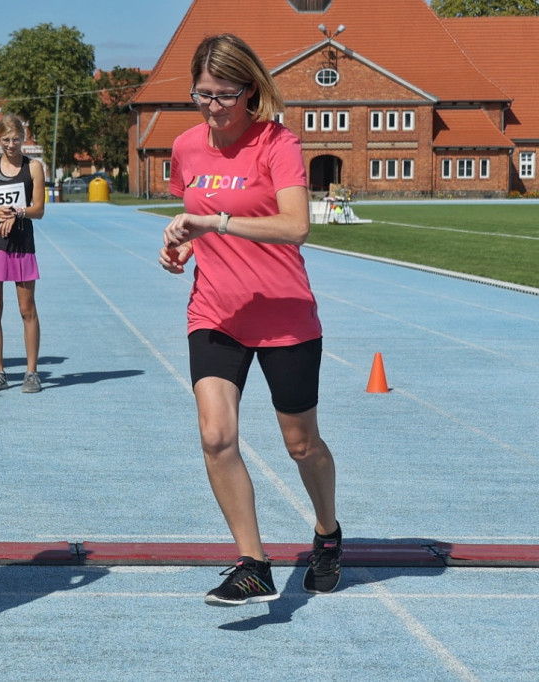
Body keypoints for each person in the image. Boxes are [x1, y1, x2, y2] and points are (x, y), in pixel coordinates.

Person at [160, 33, 342, 606]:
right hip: (215, 310)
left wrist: (216, 223)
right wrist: (181, 245)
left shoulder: (277, 143)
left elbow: (296, 227)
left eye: (223, 95)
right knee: (216, 437)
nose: (212, 107)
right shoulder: (186, 147)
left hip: (285, 314)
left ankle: (328, 532)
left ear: (249, 90)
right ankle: (252, 562)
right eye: (202, 94)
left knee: (300, 443)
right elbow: (191, 220)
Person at [0, 114, 46, 393]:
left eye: (16, 139)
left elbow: (39, 209)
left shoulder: (34, 168)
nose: (11, 145)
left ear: (23, 138)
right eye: (6, 140)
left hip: (21, 244)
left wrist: (18, 212)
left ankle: (31, 372)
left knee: (27, 309)